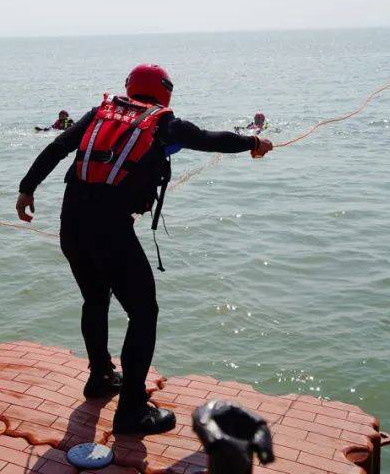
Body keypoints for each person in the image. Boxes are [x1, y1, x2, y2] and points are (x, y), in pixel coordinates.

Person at [15, 64, 273, 436]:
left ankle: (101, 377)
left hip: (71, 224)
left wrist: (27, 189)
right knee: (143, 312)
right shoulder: (164, 122)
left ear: (129, 86)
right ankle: (132, 410)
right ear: (165, 91)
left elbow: (57, 148)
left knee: (95, 300)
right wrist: (254, 143)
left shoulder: (100, 112)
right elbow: (213, 139)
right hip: (109, 231)